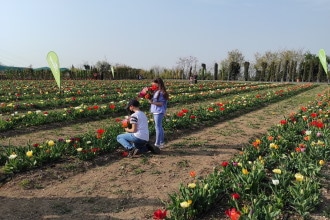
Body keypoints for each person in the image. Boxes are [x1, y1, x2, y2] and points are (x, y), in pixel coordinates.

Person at [149, 78, 169, 149]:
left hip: (158, 111)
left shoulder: (161, 92)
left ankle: (157, 143)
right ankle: (161, 142)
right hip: (156, 111)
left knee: (158, 127)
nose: (153, 85)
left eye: (154, 84)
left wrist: (152, 102)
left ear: (158, 83)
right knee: (159, 127)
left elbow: (161, 103)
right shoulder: (157, 91)